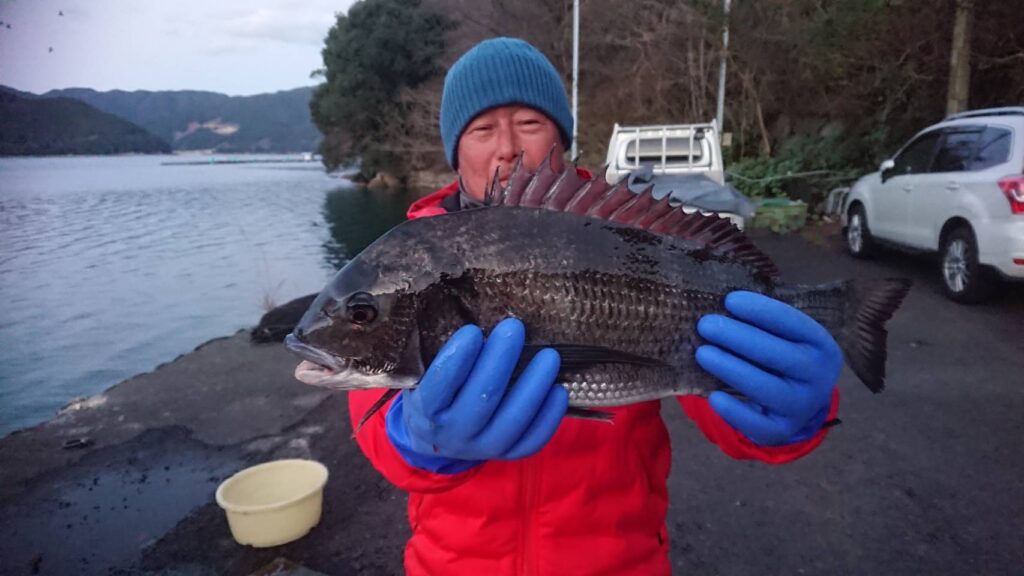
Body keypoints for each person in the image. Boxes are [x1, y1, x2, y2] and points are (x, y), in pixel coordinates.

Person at [348, 37, 841, 576]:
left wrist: (788, 413)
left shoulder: (624, 230)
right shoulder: (407, 264)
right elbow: (372, 419)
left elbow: (723, 413)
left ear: (561, 139)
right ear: (455, 151)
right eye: (482, 129)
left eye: (530, 123)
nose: (507, 147)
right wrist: (415, 439)